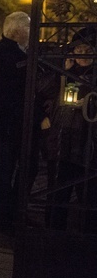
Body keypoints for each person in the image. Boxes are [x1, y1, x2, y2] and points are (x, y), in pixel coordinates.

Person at [0, 11, 42, 233]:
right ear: (17, 31)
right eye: (30, 28)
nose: (33, 33)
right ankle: (7, 215)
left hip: (16, 125)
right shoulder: (6, 56)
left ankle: (12, 211)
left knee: (20, 168)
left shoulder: (21, 53)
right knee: (8, 170)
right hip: (11, 125)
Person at [46, 33, 96, 231]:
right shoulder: (65, 71)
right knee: (59, 192)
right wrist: (61, 73)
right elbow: (44, 91)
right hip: (63, 139)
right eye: (78, 50)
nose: (83, 55)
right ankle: (53, 232)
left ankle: (87, 236)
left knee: (88, 194)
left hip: (89, 141)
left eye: (88, 51)